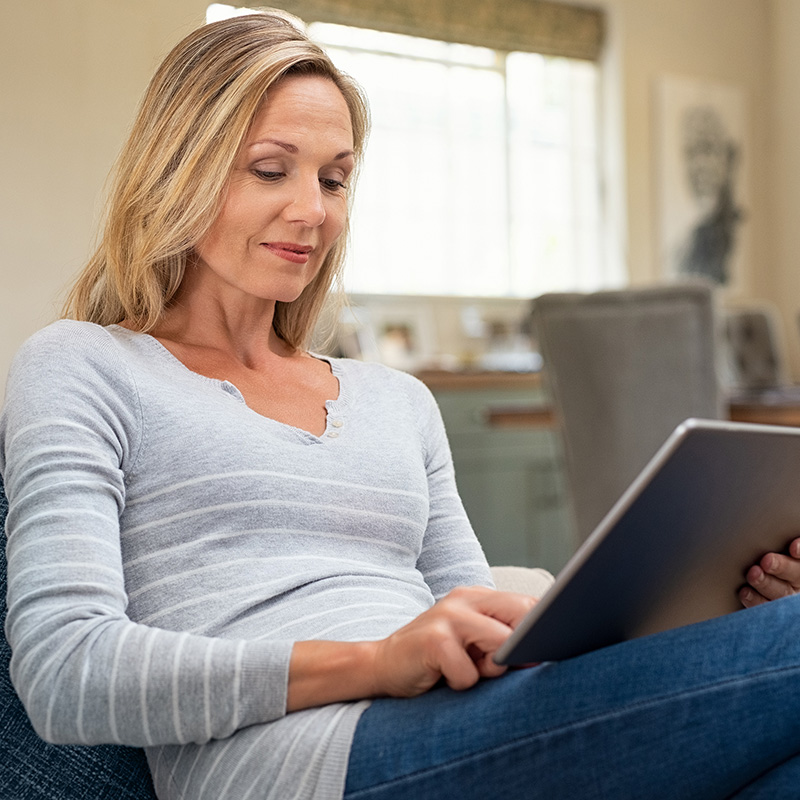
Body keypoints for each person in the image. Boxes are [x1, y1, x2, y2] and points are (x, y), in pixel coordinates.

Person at [2, 10, 800, 800]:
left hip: (457, 725)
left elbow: (479, 614)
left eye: (334, 178)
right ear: (178, 169)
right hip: (302, 761)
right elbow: (64, 670)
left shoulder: (397, 400)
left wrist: (714, 607)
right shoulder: (85, 367)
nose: (313, 210)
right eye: (271, 169)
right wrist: (374, 662)